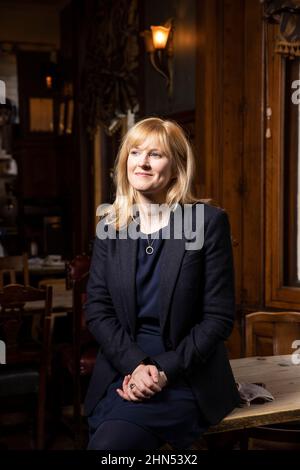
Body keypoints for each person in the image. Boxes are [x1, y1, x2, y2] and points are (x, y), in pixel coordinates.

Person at [84, 117, 240, 450]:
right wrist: (136, 366)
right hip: (123, 368)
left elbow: (218, 318)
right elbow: (97, 310)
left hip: (186, 374)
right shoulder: (110, 225)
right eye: (135, 152)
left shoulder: (208, 223)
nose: (141, 162)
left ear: (176, 167)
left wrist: (162, 371)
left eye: (155, 154)